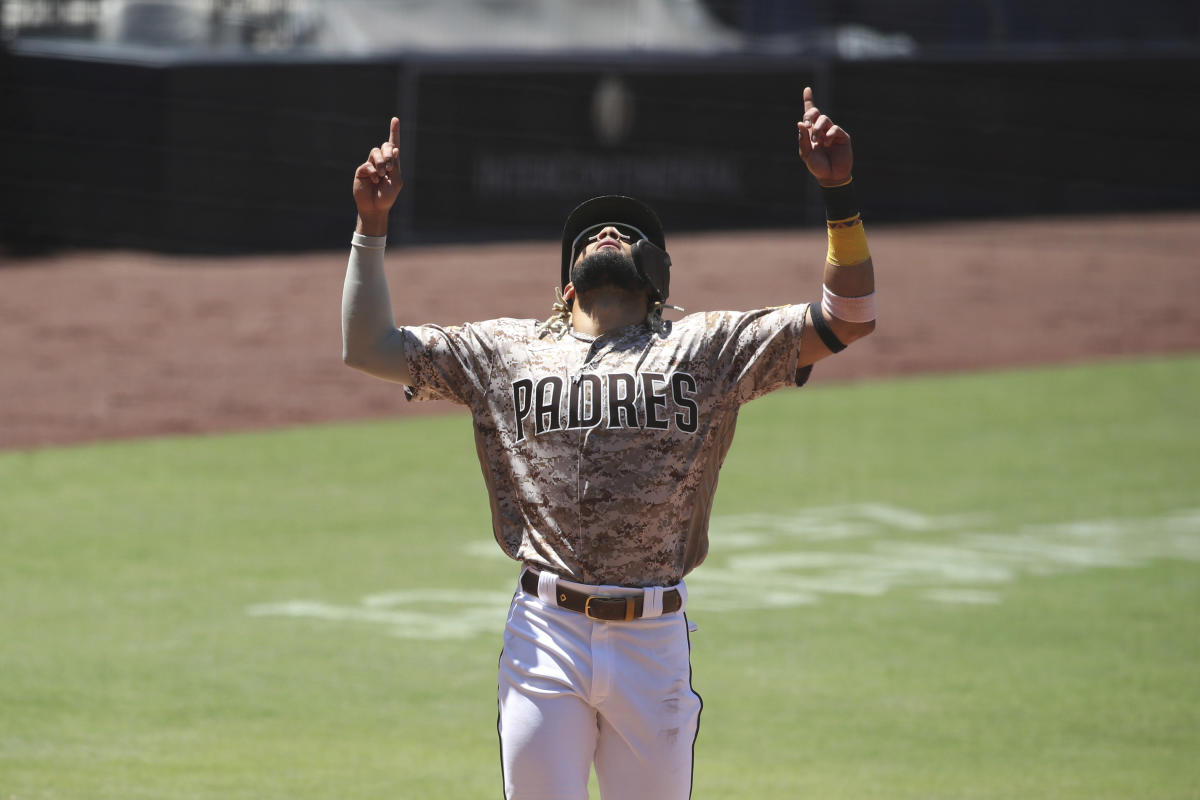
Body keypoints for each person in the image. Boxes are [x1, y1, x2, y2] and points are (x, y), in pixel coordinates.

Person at [341, 86, 875, 800]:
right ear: (565, 289)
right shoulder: (508, 350)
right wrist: (370, 226)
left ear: (658, 283)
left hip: (652, 642)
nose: (606, 235)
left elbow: (851, 315)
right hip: (544, 636)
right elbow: (369, 347)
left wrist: (838, 194)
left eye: (627, 233)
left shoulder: (706, 346)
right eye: (591, 235)